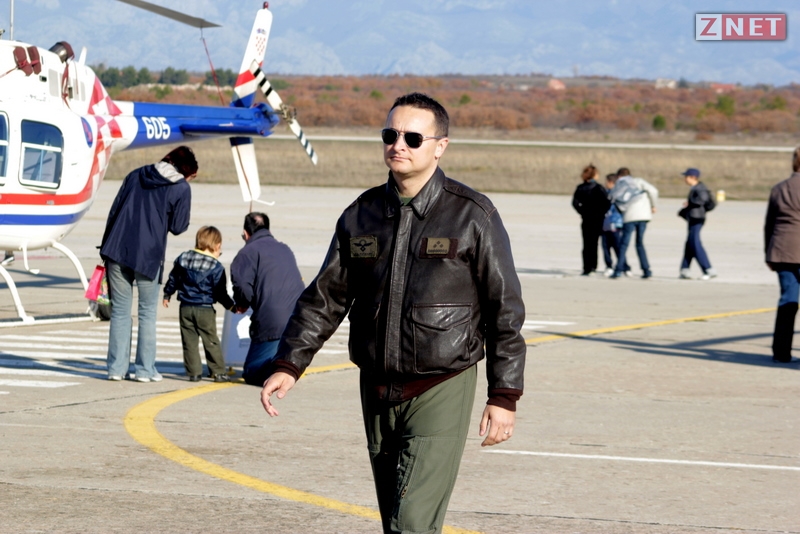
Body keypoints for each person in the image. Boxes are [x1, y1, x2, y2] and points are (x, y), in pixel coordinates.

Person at [260, 92, 526, 534]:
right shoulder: (361, 215)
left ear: (440, 146)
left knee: (412, 523)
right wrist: (290, 363)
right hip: (377, 386)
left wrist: (504, 395)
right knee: (395, 521)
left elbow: (505, 310)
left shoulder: (472, 215)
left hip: (442, 382)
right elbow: (325, 296)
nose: (398, 145)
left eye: (413, 138)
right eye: (391, 134)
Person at [100, 145, 196, 382]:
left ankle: (116, 369)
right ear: (185, 171)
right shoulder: (181, 187)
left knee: (120, 312)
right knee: (147, 313)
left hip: (117, 249)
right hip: (148, 256)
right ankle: (144, 370)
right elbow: (178, 227)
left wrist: (105, 248)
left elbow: (114, 211)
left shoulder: (135, 174)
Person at [230, 212, 304, 386]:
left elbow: (241, 285)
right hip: (298, 316)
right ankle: (288, 365)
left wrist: (242, 303)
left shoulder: (247, 252)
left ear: (245, 233)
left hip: (271, 321)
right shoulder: (285, 248)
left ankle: (280, 372)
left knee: (252, 372)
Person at [163, 226, 236, 382]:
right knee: (211, 340)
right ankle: (218, 372)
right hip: (205, 309)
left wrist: (167, 293)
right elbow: (220, 293)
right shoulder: (216, 267)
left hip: (185, 307)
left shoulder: (183, 259)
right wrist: (231, 306)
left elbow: (173, 279)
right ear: (216, 246)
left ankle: (194, 373)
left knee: (189, 341)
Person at [764, 147, 800, 363]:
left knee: (788, 300)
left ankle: (781, 352)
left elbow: (769, 224)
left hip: (782, 250)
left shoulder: (779, 188)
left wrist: (768, 253)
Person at [608, 167, 659, 279]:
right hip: (643, 215)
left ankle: (618, 270)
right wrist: (653, 205)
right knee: (639, 243)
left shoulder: (619, 184)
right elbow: (654, 191)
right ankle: (646, 270)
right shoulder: (638, 181)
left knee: (624, 244)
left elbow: (612, 198)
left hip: (629, 216)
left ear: (618, 176)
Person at [678, 168, 717, 280]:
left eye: (686, 177)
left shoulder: (700, 188)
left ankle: (708, 269)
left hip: (697, 218)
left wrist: (690, 203)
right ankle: (685, 269)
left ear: (693, 177)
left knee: (695, 244)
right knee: (689, 244)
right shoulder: (695, 188)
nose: (685, 179)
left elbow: (703, 200)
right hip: (693, 217)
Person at [572, 163, 610, 276]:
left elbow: (575, 203)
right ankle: (593, 266)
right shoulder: (598, 188)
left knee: (586, 244)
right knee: (595, 243)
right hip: (598, 219)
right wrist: (601, 213)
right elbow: (607, 203)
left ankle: (586, 267)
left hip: (586, 219)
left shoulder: (580, 188)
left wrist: (583, 212)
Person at [600, 173, 626, 277]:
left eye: (606, 182)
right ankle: (609, 266)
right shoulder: (605, 193)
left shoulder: (618, 194)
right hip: (605, 224)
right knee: (605, 247)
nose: (605, 184)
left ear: (611, 182)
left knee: (617, 247)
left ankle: (623, 266)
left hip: (615, 225)